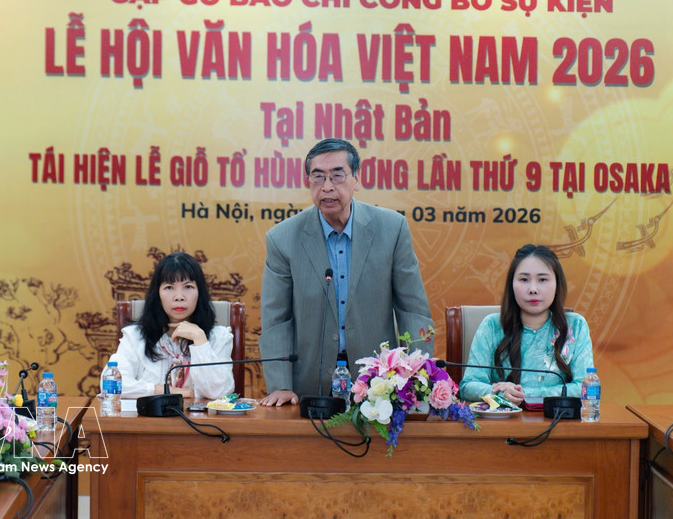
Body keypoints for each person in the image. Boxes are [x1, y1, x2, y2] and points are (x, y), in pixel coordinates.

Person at [260, 138, 433, 406]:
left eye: (337, 176)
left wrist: (416, 377)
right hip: (309, 387)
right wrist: (281, 385)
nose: (327, 187)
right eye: (318, 178)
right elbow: (276, 320)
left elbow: (413, 311)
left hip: (380, 383)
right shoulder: (282, 239)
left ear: (356, 180)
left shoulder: (392, 228)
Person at [459, 244, 594, 404]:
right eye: (524, 279)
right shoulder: (492, 325)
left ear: (557, 283)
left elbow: (586, 387)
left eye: (543, 279)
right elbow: (467, 387)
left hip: (558, 423)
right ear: (511, 285)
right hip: (504, 423)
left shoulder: (576, 325)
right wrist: (502, 393)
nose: (533, 289)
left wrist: (525, 394)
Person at [106, 252, 234, 400]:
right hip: (148, 422)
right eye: (169, 287)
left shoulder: (219, 337)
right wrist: (168, 390)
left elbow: (221, 393)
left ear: (200, 293)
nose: (179, 296)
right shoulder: (134, 337)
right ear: (158, 294)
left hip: (200, 423)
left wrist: (200, 340)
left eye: (188, 286)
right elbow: (111, 384)